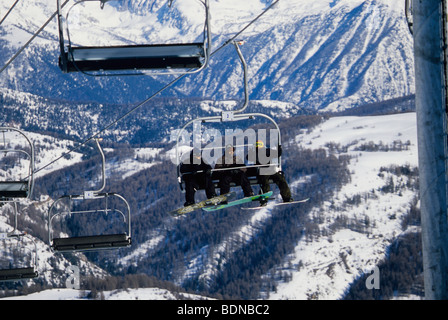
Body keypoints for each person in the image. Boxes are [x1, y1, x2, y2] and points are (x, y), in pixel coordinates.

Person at [250, 140, 293, 205]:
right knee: (264, 183)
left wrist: (279, 148)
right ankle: (263, 200)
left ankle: (287, 197)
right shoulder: (254, 153)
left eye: (259, 145)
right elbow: (249, 157)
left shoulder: (267, 151)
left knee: (281, 179)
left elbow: (277, 154)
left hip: (271, 170)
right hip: (262, 171)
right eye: (257, 145)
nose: (258, 147)